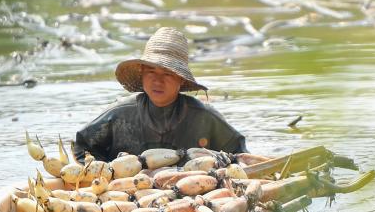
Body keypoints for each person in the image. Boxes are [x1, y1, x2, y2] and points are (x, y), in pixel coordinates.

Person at [73, 27, 247, 161]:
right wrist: (109, 173)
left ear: (181, 79)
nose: (158, 81)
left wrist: (222, 166)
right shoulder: (120, 114)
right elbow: (82, 146)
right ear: (141, 73)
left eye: (168, 74)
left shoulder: (205, 118)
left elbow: (241, 156)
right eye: (151, 72)